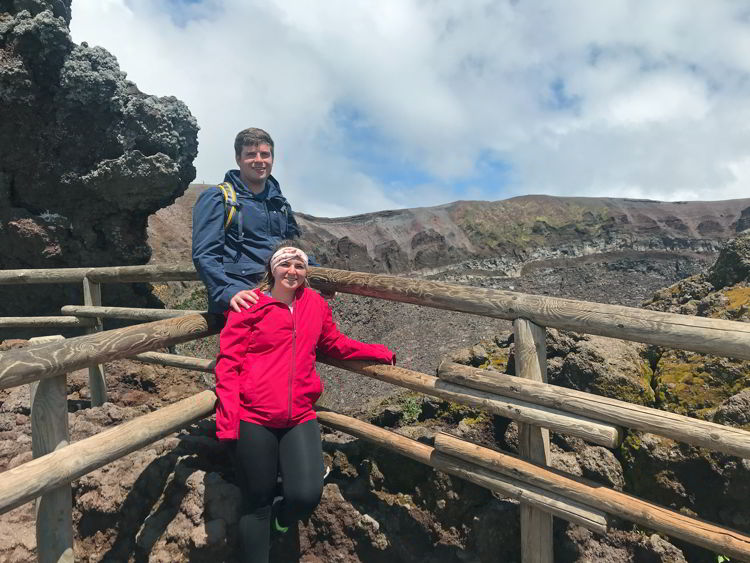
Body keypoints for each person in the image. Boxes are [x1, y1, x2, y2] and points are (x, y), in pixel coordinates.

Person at [215, 244, 395, 562]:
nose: (292, 271)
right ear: (272, 269)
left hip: (299, 415)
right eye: (285, 264)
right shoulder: (249, 305)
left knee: (306, 495)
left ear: (306, 272)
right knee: (256, 501)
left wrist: (377, 352)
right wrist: (229, 422)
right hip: (254, 417)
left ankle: (280, 523)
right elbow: (228, 365)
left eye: (299, 266)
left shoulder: (314, 304)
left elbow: (334, 343)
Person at [192, 127, 307, 314]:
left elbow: (294, 250)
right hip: (244, 300)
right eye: (251, 154)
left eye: (265, 154)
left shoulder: (280, 204)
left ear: (272, 159)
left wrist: (322, 277)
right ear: (238, 159)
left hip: (280, 296)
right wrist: (228, 291)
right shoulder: (217, 198)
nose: (259, 161)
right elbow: (205, 254)